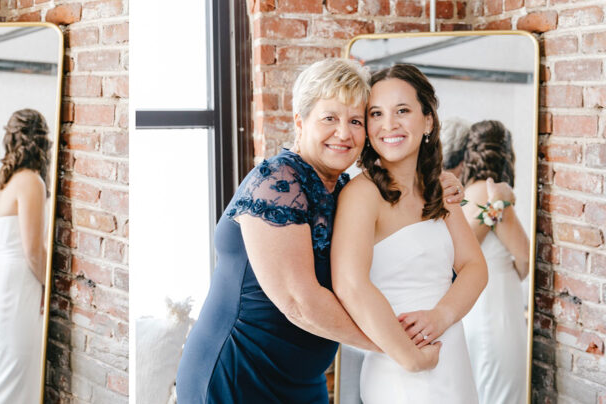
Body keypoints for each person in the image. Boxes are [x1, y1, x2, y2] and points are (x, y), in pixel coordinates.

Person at [174, 58, 465, 403]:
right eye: (330, 118)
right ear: (300, 121)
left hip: (303, 378)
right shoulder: (277, 182)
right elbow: (299, 303)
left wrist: (435, 185)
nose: (344, 133)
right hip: (241, 371)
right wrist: (398, 348)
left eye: (356, 120)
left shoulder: (343, 189)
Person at [331, 64, 487, 403]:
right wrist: (409, 357)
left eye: (402, 110)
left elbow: (475, 266)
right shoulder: (362, 194)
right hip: (398, 365)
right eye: (376, 113)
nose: (390, 124)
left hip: (452, 353)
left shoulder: (439, 187)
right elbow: (350, 285)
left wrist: (441, 316)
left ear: (427, 120)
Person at [0, 108, 50, 404]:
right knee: (10, 382)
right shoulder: (31, 181)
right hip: (16, 286)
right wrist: (50, 286)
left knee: (5, 377)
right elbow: (32, 250)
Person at [458, 120, 529, 404]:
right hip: (497, 302)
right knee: (501, 389)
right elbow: (524, 256)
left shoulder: (462, 196)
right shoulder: (495, 196)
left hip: (468, 305)